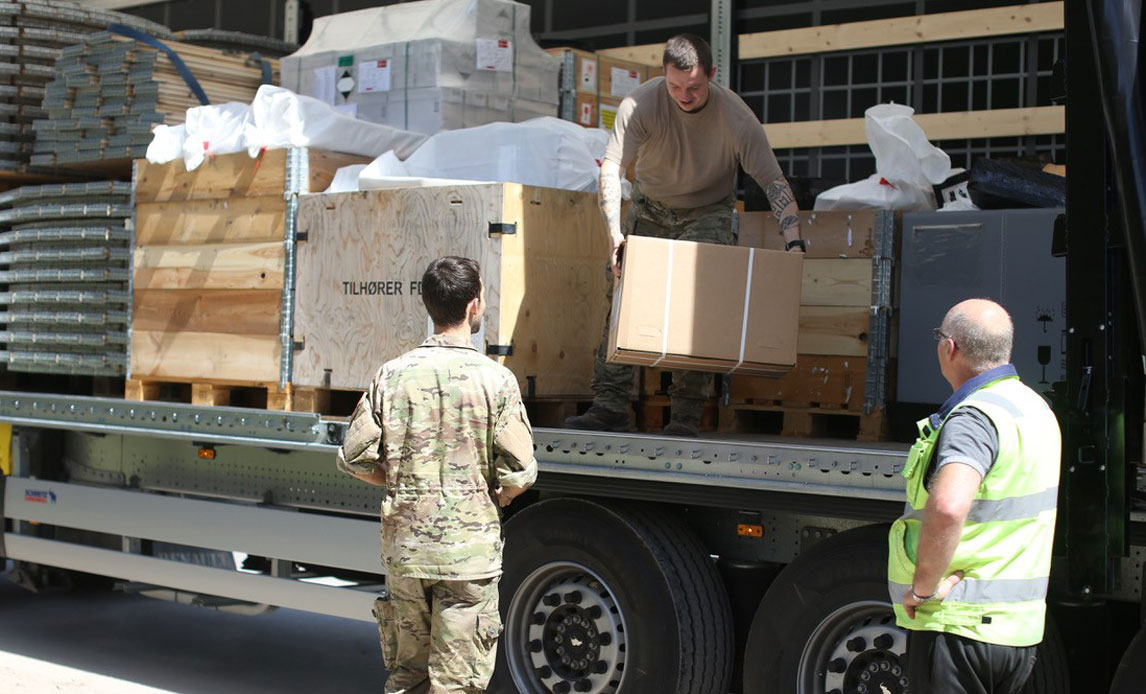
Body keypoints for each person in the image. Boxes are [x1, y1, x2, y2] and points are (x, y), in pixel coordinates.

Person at [564, 33, 806, 438]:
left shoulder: (736, 118)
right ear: (664, 75)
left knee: (699, 308)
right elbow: (611, 167)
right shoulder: (640, 104)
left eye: (693, 87)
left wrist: (794, 241)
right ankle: (609, 405)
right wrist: (614, 234)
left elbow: (773, 182)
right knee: (622, 299)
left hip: (708, 212)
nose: (684, 96)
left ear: (711, 74)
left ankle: (686, 416)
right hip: (650, 210)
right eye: (674, 86)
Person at [337, 256, 538, 694]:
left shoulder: (391, 375)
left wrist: (397, 480)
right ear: (474, 307)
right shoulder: (496, 380)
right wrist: (500, 496)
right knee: (457, 684)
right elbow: (520, 472)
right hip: (468, 559)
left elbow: (354, 458)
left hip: (407, 550)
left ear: (430, 306)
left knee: (408, 677)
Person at [888, 299, 1061, 694]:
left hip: (959, 624)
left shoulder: (974, 417)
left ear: (949, 348)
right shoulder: (1035, 409)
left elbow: (949, 506)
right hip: (1017, 632)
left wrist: (923, 589)